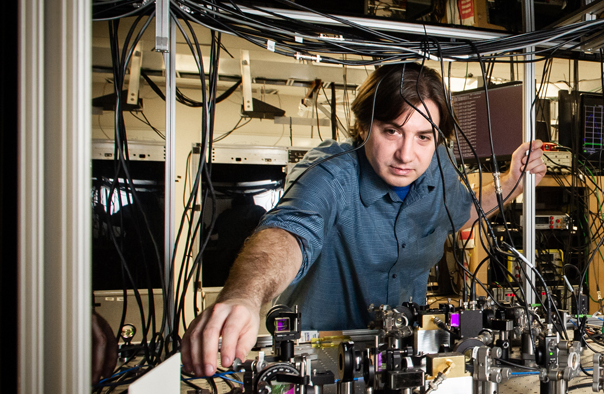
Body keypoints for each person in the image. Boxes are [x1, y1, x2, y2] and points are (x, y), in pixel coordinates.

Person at [182, 63, 545, 377]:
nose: (407, 154)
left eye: (423, 137)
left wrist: (511, 181)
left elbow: (460, 210)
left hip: (402, 357)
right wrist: (244, 296)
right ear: (362, 127)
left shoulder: (439, 166)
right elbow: (288, 233)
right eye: (391, 131)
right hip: (319, 360)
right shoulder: (330, 173)